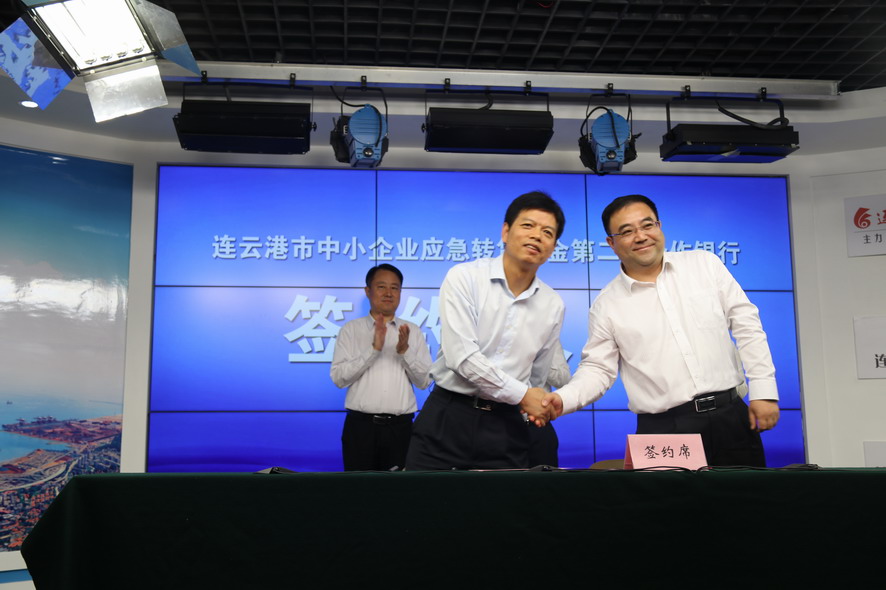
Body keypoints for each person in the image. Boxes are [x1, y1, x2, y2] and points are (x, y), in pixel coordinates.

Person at [536, 194, 779, 467]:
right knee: (669, 498)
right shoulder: (606, 305)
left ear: (659, 226)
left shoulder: (704, 264)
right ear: (611, 243)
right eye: (627, 231)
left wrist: (764, 390)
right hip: (664, 429)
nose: (641, 236)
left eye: (647, 225)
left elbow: (747, 325)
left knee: (745, 494)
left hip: (731, 417)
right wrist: (563, 399)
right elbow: (598, 369)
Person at [405, 191, 566, 470]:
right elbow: (462, 358)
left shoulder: (553, 304)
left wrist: (535, 405)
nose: (537, 236)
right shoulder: (465, 277)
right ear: (505, 232)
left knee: (501, 499)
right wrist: (524, 395)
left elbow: (538, 377)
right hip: (448, 416)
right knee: (424, 497)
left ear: (553, 247)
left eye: (547, 232)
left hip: (507, 425)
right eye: (528, 225)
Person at [330, 263, 432, 471]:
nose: (388, 293)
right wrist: (373, 350)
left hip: (401, 429)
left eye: (395, 288)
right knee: (359, 488)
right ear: (368, 291)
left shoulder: (412, 331)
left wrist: (405, 352)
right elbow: (339, 378)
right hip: (361, 428)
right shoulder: (351, 330)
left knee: (398, 489)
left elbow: (424, 382)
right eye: (381, 287)